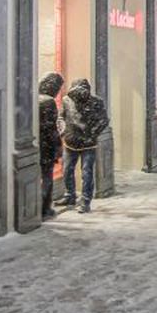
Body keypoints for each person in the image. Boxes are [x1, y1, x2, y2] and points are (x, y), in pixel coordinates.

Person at [59, 78, 108, 214]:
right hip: (70, 141)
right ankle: (70, 195)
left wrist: (92, 134)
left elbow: (104, 120)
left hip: (88, 143)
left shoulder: (97, 102)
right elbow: (61, 116)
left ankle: (85, 201)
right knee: (67, 170)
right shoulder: (66, 100)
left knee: (87, 173)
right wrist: (62, 131)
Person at [37, 73, 64, 218]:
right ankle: (45, 208)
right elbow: (51, 128)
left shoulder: (33, 98)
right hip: (46, 146)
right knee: (47, 177)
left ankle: (34, 206)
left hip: (34, 144)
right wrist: (58, 146)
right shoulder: (48, 102)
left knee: (39, 176)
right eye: (58, 88)